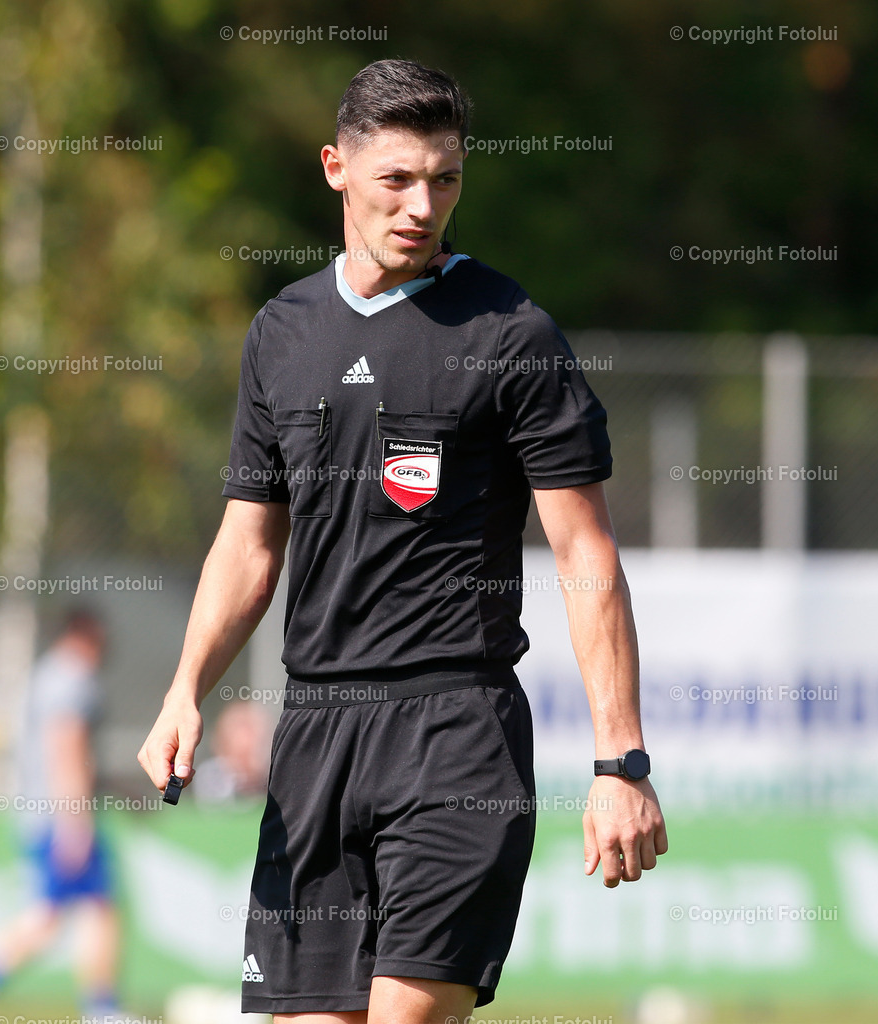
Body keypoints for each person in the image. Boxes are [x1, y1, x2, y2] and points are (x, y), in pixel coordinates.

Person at [138, 58, 668, 1023]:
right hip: (315, 737)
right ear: (336, 167)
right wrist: (185, 687)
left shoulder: (512, 334)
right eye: (397, 178)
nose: (423, 204)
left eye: (446, 177)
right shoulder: (282, 331)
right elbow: (249, 545)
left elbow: (587, 555)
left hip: (456, 735)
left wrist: (618, 762)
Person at [0, 608, 123, 1021]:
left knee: (77, 910)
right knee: (67, 913)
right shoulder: (72, 678)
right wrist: (75, 823)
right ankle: (100, 1010)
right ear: (85, 636)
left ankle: (99, 1008)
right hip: (61, 816)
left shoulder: (48, 674)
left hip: (46, 812)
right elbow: (65, 750)